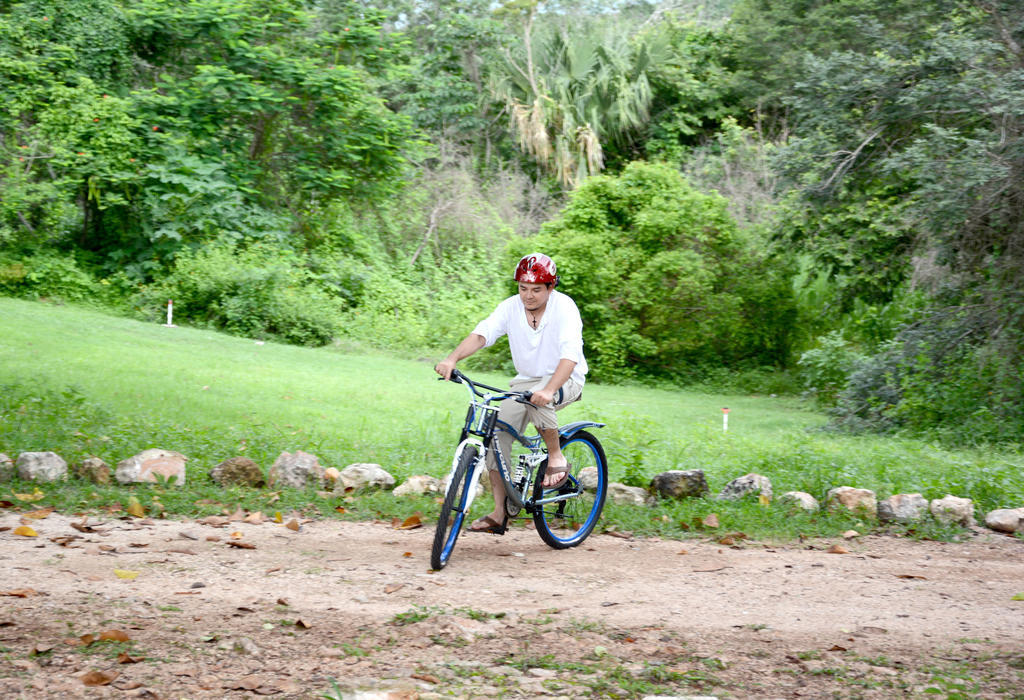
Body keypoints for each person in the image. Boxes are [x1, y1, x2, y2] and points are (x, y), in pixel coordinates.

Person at [434, 252, 588, 534]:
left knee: (538, 396)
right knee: (496, 430)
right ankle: (499, 512)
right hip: (525, 381)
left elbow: (570, 356)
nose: (528, 296)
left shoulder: (565, 308)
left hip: (566, 379)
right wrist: (452, 359)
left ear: (551, 288)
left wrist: (550, 389)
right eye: (523, 288)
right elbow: (483, 334)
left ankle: (556, 456)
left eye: (536, 290)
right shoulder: (510, 307)